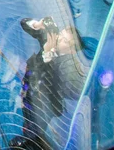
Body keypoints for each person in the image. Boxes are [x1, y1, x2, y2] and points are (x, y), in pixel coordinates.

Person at [19, 17, 87, 149]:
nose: (58, 39)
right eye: (61, 34)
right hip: (27, 92)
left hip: (42, 106)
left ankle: (30, 143)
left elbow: (57, 86)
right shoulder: (51, 39)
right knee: (26, 120)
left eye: (64, 41)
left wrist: (47, 55)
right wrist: (36, 24)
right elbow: (23, 23)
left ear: (72, 50)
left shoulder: (68, 67)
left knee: (32, 132)